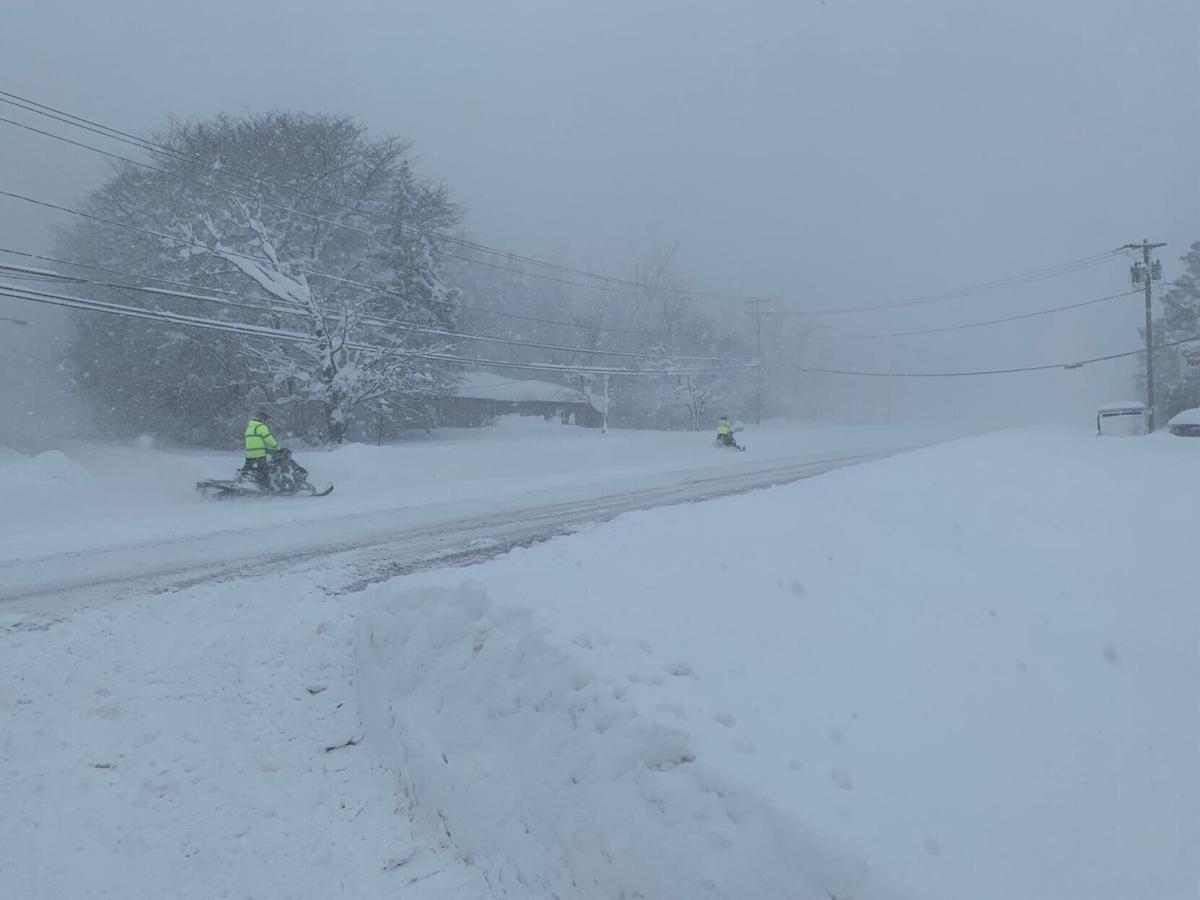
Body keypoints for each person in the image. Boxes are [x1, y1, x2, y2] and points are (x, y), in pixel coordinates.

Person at [241, 409, 282, 490]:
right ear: (262, 419)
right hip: (259, 453)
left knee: (246, 469)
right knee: (264, 471)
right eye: (266, 419)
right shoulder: (261, 427)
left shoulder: (249, 427)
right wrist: (278, 448)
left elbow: (252, 440)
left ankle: (239, 480)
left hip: (249, 453)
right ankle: (267, 487)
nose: (266, 421)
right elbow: (269, 439)